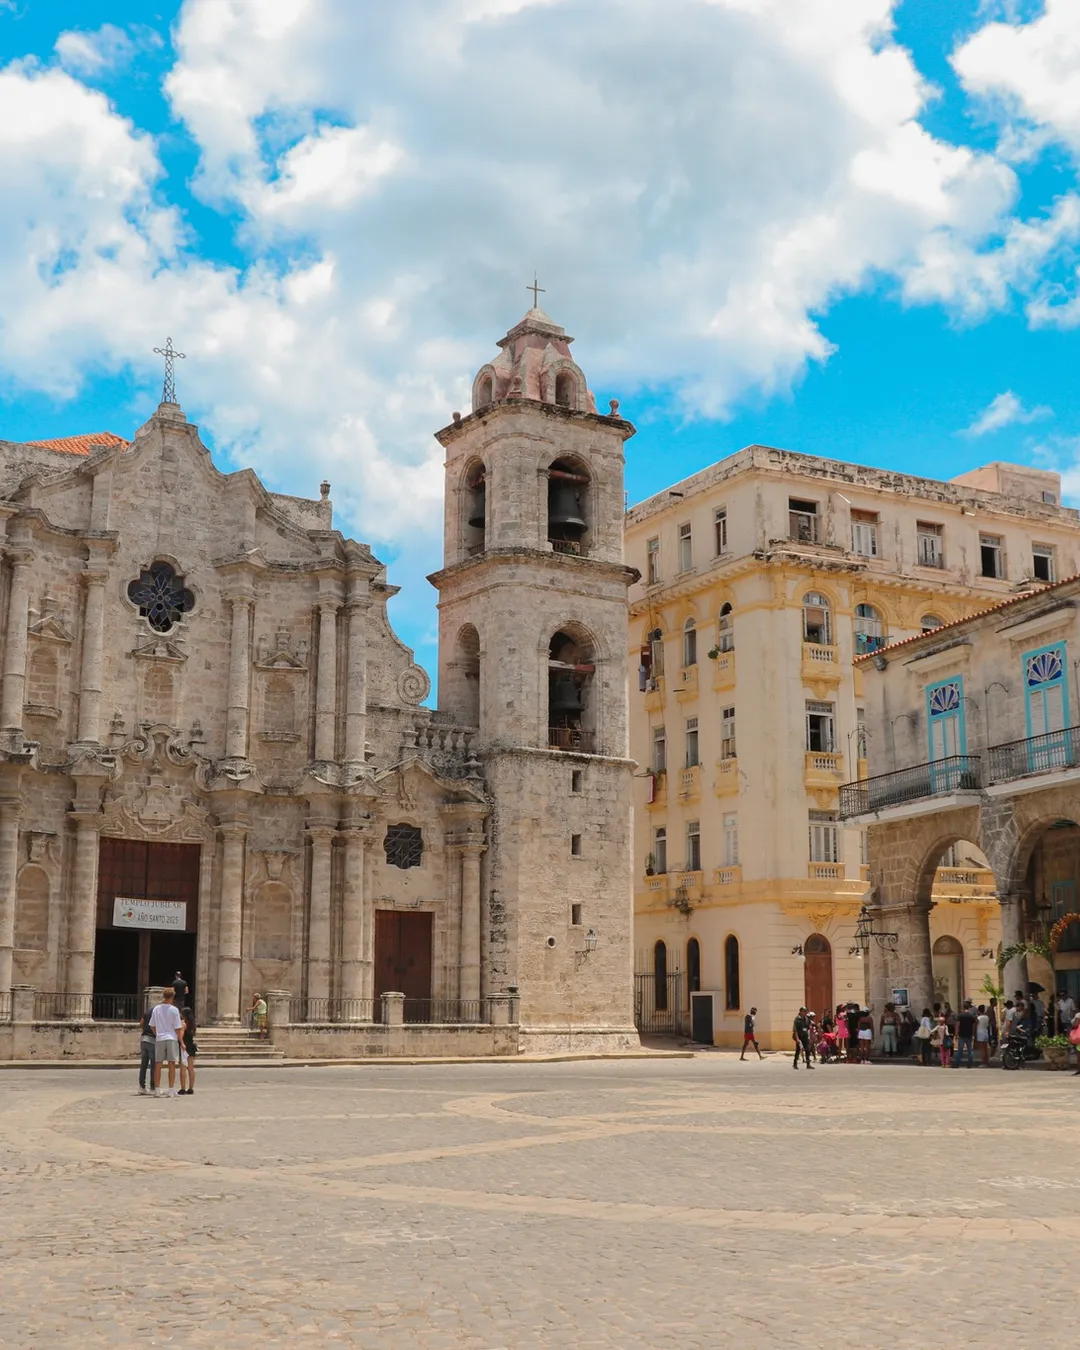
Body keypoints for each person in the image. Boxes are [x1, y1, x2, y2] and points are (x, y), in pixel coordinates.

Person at [150, 987, 183, 1097]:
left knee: (158, 1064)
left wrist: (158, 1033)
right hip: (171, 1037)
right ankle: (171, 1089)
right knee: (171, 1064)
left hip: (160, 1038)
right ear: (173, 997)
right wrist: (181, 1040)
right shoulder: (174, 1010)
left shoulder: (156, 1009)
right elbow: (178, 1027)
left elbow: (152, 1026)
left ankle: (157, 1089)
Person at [179, 1006, 197, 1095]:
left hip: (185, 1046)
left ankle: (183, 1088)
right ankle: (191, 1088)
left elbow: (181, 1036)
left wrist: (181, 1043)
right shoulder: (193, 1024)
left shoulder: (183, 1024)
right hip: (191, 1046)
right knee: (191, 1068)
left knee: (183, 1068)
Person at [138, 1006, 156, 1094]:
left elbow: (141, 1024)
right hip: (153, 1040)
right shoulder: (158, 1012)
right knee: (154, 1065)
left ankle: (141, 1087)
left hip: (144, 1038)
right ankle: (153, 1087)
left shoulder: (148, 1011)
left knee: (143, 1065)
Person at [953, 1001, 976, 1068]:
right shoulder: (971, 1016)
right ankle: (969, 1064)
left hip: (962, 1034)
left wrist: (956, 1034)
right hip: (969, 1034)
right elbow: (974, 1026)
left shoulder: (960, 1015)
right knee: (970, 1050)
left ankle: (957, 1063)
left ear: (963, 1007)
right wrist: (973, 1034)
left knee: (960, 1049)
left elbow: (957, 1025)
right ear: (969, 1008)